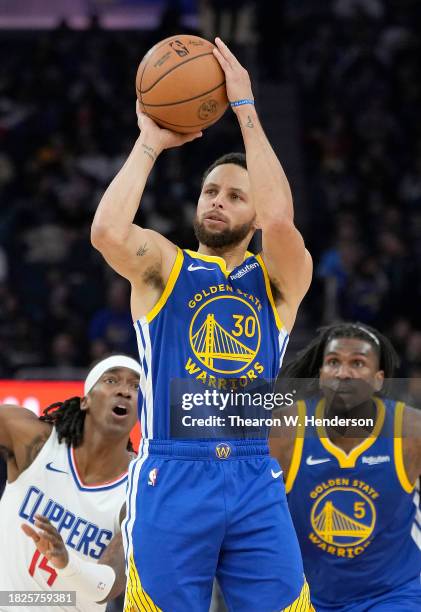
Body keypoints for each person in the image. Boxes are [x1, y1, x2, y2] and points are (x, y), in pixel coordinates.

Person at [91, 37, 313, 612]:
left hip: (251, 472)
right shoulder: (166, 266)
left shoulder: (279, 281)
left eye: (235, 196)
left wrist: (245, 110)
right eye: (210, 191)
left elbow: (281, 217)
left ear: (251, 212)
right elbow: (108, 233)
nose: (217, 201)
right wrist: (147, 143)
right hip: (173, 469)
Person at [270, 323, 421, 611]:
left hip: (393, 594)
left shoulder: (411, 430)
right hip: (305, 595)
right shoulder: (284, 430)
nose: (344, 373)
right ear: (321, 374)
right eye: (333, 362)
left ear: (378, 379)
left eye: (358, 363)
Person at [0, 355, 141, 611]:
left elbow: (108, 586)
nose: (125, 390)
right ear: (85, 399)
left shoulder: (139, 488)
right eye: (112, 380)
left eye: (136, 387)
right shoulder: (34, 441)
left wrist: (66, 563)